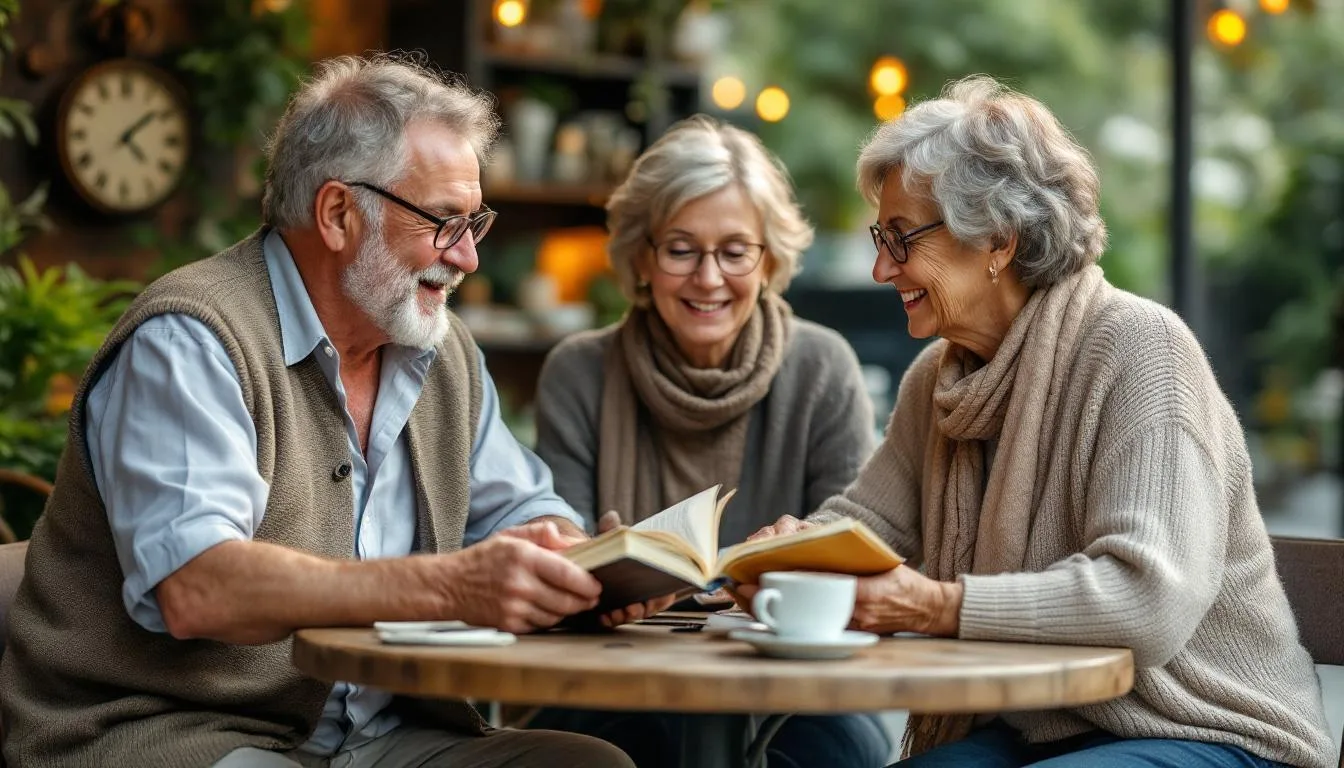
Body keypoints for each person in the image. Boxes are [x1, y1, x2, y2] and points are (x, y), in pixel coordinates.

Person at [0, 54, 636, 768]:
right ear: (338, 215)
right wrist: (455, 586)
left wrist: (583, 565)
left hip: (381, 737)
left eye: (474, 224)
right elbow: (198, 586)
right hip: (165, 731)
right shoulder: (190, 339)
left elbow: (518, 509)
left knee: (589, 765)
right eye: (444, 222)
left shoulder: (441, 348)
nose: (467, 259)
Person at [742, 75, 1336, 768]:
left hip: (1214, 731)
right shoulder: (939, 378)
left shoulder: (1143, 350)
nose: (880, 268)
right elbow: (865, 525)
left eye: (901, 239)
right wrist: (787, 552)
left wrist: (934, 605)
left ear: (996, 239)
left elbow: (1147, 599)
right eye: (881, 237)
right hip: (1046, 726)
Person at [528, 115, 892, 768]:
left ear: (769, 259)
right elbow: (558, 561)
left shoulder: (824, 367)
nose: (708, 278)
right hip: (616, 673)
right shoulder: (578, 371)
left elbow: (854, 557)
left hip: (799, 685)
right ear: (642, 257)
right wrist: (596, 568)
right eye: (681, 249)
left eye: (734, 251)